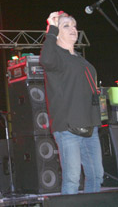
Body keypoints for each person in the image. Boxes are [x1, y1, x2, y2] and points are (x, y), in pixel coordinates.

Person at [39, 11, 104, 195]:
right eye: (66, 26)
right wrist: (51, 28)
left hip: (90, 126)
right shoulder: (56, 56)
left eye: (74, 25)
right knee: (72, 177)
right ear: (56, 33)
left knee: (96, 175)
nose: (73, 29)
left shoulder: (80, 59)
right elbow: (46, 59)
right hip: (68, 127)